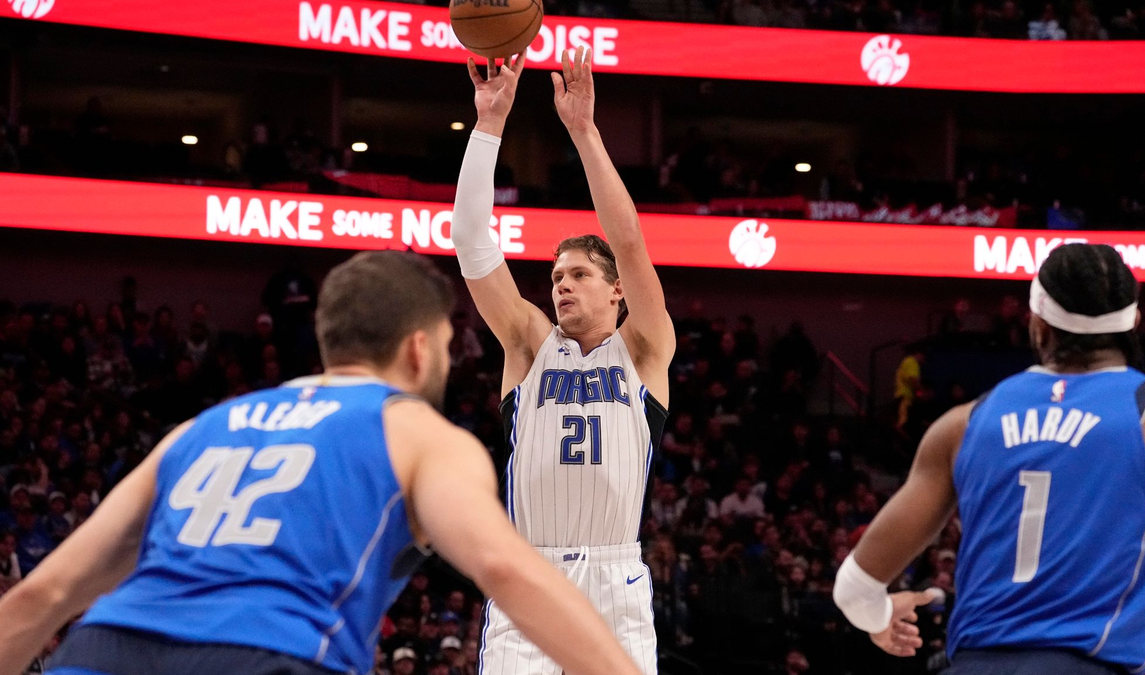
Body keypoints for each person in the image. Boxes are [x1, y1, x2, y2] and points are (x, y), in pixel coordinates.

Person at [0, 251, 645, 675]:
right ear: (419, 351)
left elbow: (42, 594)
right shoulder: (418, 433)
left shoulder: (199, 430)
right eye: (449, 347)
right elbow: (505, 566)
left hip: (105, 650)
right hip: (270, 654)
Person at [835, 244, 1145, 674]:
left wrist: (879, 616)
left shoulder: (962, 424)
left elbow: (853, 591)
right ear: (1135, 322)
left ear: (1038, 324)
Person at [451, 48, 675, 675]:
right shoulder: (527, 343)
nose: (561, 285)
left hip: (615, 579)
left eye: (578, 274)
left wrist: (585, 132)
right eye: (555, 276)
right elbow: (470, 239)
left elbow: (629, 240)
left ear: (617, 290)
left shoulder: (645, 348)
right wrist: (489, 122)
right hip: (533, 574)